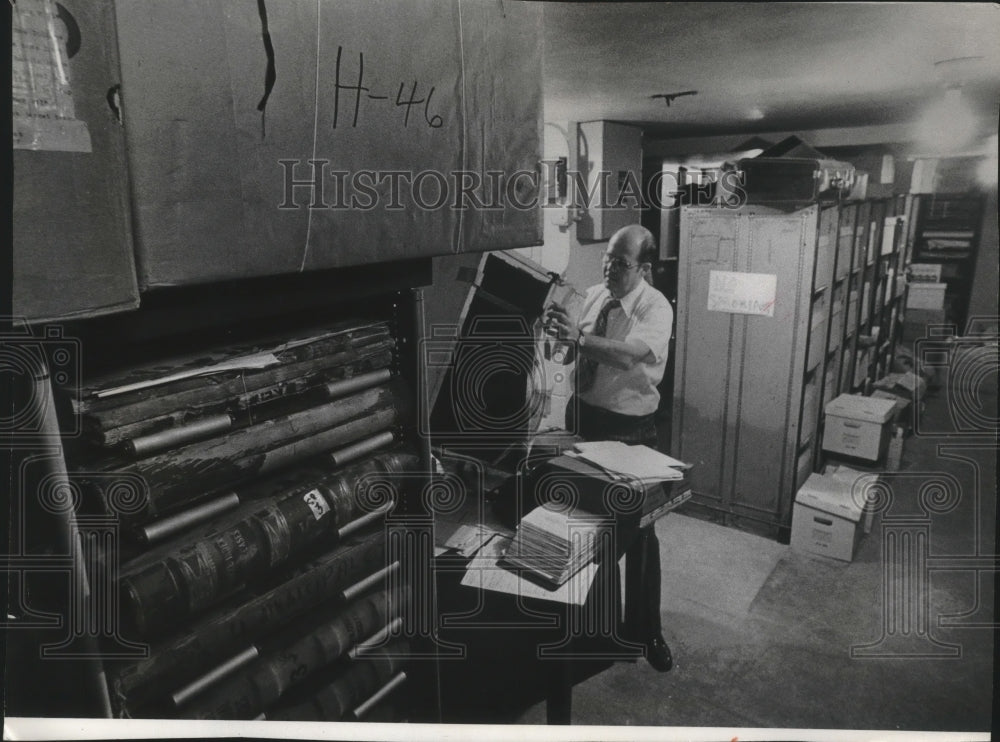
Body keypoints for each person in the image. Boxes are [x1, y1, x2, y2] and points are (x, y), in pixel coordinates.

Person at [543, 223, 674, 672]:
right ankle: (592, 630)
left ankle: (645, 631)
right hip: (584, 418)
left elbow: (626, 355)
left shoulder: (655, 308)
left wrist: (578, 340)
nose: (609, 268)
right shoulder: (597, 296)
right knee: (582, 525)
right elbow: (574, 353)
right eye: (608, 259)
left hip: (630, 429)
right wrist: (559, 338)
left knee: (637, 531)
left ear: (644, 268)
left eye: (621, 263)